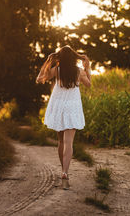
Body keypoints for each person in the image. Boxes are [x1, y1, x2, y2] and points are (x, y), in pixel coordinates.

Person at [36, 45, 91, 190]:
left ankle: (63, 170)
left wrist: (48, 62)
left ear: (60, 58)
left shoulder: (57, 70)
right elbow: (89, 85)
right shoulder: (79, 71)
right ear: (73, 57)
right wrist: (88, 67)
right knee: (69, 143)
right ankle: (65, 171)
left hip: (59, 107)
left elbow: (39, 79)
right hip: (72, 107)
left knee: (60, 141)